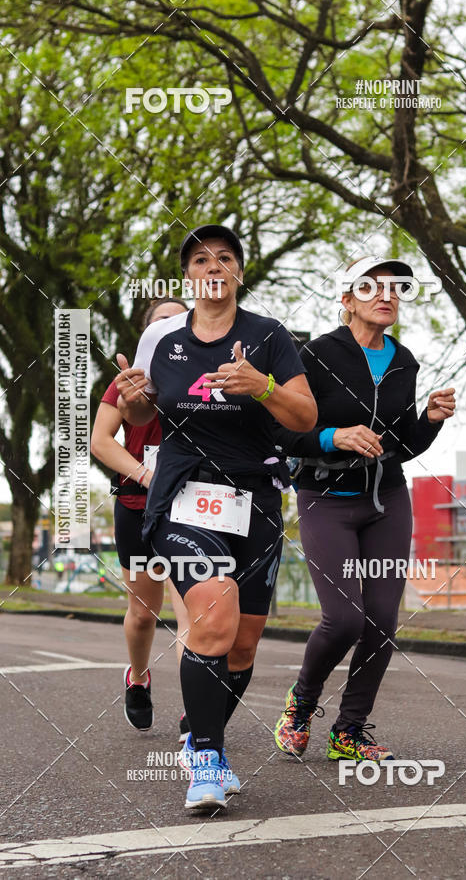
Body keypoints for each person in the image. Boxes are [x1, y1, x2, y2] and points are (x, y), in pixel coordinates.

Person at [114, 224, 317, 810]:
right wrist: (133, 400)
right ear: (188, 275)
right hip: (183, 491)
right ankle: (204, 759)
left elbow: (303, 416)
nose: (213, 267)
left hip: (254, 496)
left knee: (243, 646)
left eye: (225, 258)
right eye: (201, 259)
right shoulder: (161, 337)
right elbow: (145, 407)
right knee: (212, 610)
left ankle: (204, 737)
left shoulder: (270, 336)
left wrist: (264, 386)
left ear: (239, 273)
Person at [273, 255, 456, 762]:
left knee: (380, 622)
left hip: (387, 500)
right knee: (344, 619)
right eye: (371, 287)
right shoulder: (311, 355)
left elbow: (399, 445)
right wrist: (334, 436)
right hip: (326, 499)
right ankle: (301, 703)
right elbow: (281, 431)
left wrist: (431, 420)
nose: (387, 295)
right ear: (346, 299)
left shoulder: (404, 361)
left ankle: (349, 731)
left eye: (395, 288)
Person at [91, 297, 190, 734]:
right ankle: (137, 677)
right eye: (162, 322)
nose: (172, 327)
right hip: (138, 505)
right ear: (148, 334)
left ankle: (197, 710)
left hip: (193, 507)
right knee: (144, 613)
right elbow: (101, 440)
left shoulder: (208, 377)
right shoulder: (129, 380)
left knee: (193, 613)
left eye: (180, 320)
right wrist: (148, 477)